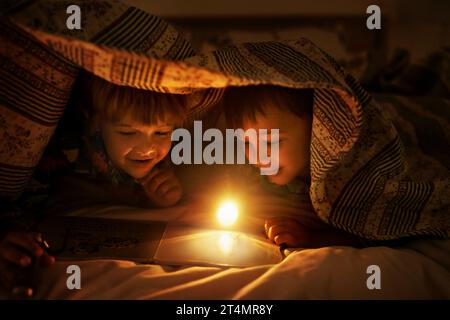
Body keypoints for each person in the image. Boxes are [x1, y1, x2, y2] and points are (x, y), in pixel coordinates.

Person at [0, 71, 189, 291]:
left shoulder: (172, 156)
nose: (147, 148)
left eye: (161, 132)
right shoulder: (68, 152)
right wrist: (12, 232)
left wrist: (164, 199)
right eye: (127, 133)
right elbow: (25, 202)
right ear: (97, 123)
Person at [224, 85, 364, 248]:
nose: (257, 157)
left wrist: (312, 238)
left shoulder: (346, 178)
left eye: (271, 142)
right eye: (246, 142)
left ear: (318, 127)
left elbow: (369, 235)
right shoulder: (248, 173)